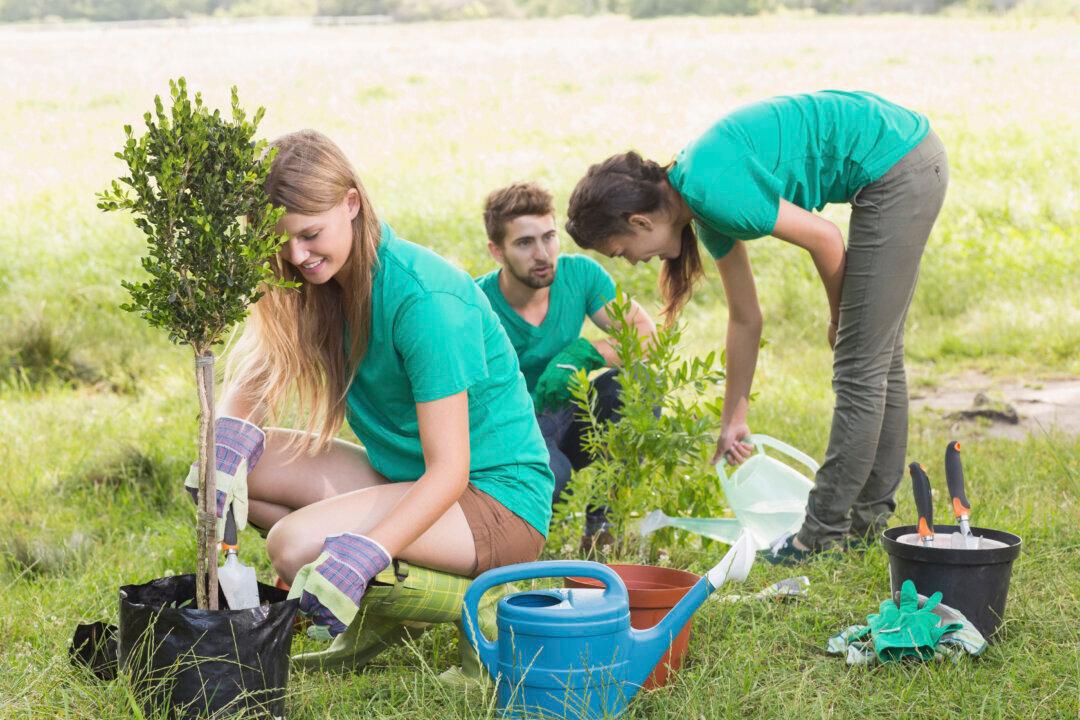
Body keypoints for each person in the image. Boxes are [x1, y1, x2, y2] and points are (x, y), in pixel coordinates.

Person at [185, 130, 554, 638]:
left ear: (352, 203)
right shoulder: (319, 281)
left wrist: (368, 551)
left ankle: (448, 601)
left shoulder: (425, 301)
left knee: (291, 545)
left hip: (493, 502)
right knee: (238, 468)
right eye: (281, 241)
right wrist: (227, 443)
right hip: (405, 478)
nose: (297, 255)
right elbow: (259, 372)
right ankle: (383, 569)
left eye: (310, 234)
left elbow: (451, 472)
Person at [564, 90, 948, 563]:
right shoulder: (698, 201)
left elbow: (824, 238)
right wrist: (734, 417)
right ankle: (866, 527)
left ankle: (818, 537)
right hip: (902, 157)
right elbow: (746, 317)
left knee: (860, 366)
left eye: (621, 251)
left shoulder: (709, 190)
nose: (634, 262)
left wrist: (838, 320)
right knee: (877, 360)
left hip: (898, 166)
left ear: (639, 221)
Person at [475, 182, 656, 550]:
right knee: (553, 476)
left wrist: (584, 351)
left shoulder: (580, 276)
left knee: (639, 389)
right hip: (516, 428)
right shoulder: (478, 303)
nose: (543, 254)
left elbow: (646, 336)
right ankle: (527, 538)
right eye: (525, 243)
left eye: (549, 237)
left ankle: (604, 529)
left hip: (568, 410)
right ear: (497, 251)